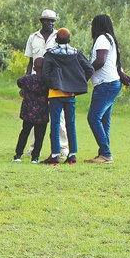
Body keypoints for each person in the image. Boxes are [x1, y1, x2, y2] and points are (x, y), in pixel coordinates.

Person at [41, 28, 94, 165]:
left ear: (56, 39)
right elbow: (90, 69)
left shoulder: (50, 54)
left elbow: (45, 74)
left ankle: (54, 155)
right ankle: (72, 155)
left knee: (55, 124)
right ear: (69, 40)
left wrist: (54, 84)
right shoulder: (76, 53)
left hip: (55, 94)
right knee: (71, 123)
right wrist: (77, 83)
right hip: (70, 94)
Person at [85, 14, 130, 164]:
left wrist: (85, 72)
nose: (92, 28)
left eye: (93, 25)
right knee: (104, 119)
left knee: (93, 118)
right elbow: (115, 63)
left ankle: (106, 154)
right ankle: (103, 153)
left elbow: (100, 61)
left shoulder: (101, 39)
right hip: (112, 83)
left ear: (97, 26)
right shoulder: (111, 39)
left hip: (105, 84)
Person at [23, 9, 69, 160]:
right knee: (33, 114)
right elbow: (30, 61)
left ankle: (63, 148)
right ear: (42, 21)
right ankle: (33, 148)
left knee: (59, 115)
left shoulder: (59, 36)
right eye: (48, 20)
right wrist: (27, 82)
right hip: (36, 81)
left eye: (53, 21)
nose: (50, 23)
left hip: (54, 81)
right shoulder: (33, 37)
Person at [12, 57, 49, 164]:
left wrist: (24, 90)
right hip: (42, 113)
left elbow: (19, 82)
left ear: (34, 68)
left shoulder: (28, 79)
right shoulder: (47, 81)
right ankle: (35, 157)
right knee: (39, 136)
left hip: (28, 112)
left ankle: (18, 155)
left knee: (24, 132)